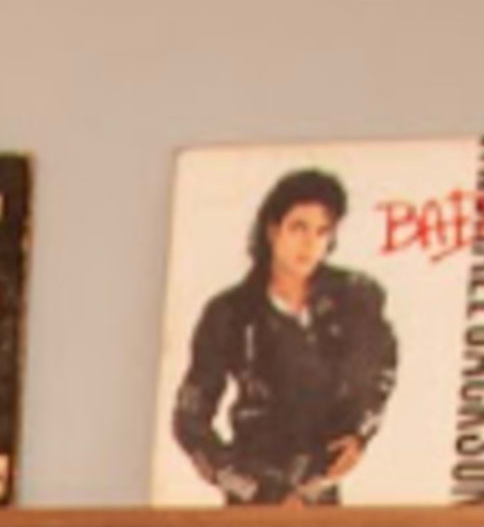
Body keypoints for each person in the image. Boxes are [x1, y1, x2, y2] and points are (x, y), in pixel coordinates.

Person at [167, 165, 398, 505]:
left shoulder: (356, 297)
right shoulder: (230, 312)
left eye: (322, 231)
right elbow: (190, 417)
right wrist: (243, 483)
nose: (309, 243)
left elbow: (379, 370)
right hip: (252, 487)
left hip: (323, 486)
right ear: (273, 230)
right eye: (298, 228)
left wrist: (359, 435)